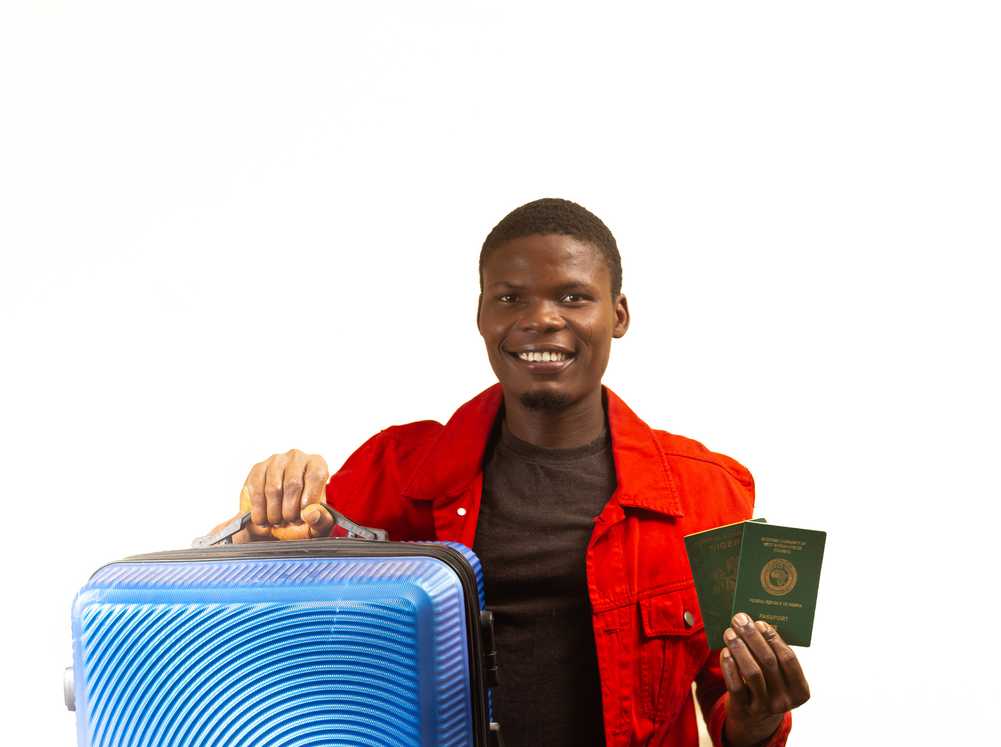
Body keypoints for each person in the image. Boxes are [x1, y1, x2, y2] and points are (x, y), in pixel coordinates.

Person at [221, 198, 810, 746]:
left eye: (574, 297)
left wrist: (757, 717)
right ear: (480, 314)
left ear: (619, 314)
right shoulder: (394, 470)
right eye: (510, 298)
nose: (541, 319)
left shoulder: (711, 490)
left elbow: (731, 710)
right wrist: (268, 520)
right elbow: (273, 636)